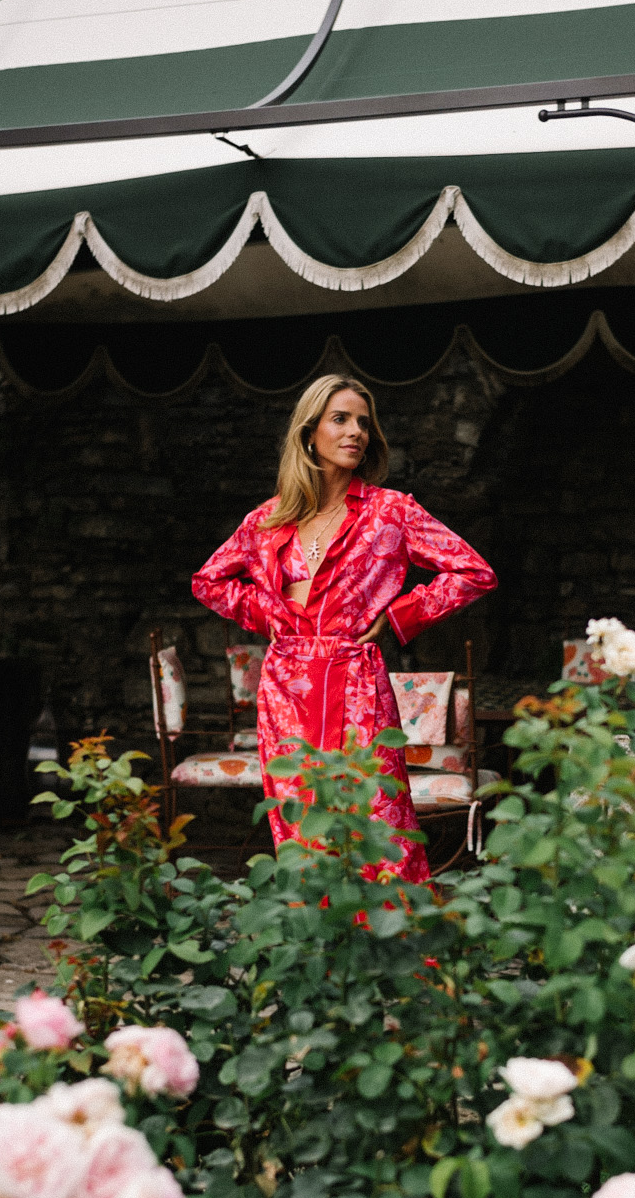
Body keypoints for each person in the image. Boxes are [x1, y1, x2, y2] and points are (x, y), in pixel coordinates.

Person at [191, 374, 496, 882]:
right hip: (286, 691)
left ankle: (391, 950)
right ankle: (316, 950)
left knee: (378, 825)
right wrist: (269, 614)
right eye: (341, 419)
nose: (357, 431)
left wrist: (400, 616)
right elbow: (209, 582)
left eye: (363, 422)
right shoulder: (267, 522)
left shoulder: (391, 511)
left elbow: (472, 572)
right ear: (310, 434)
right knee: (301, 828)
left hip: (357, 684)